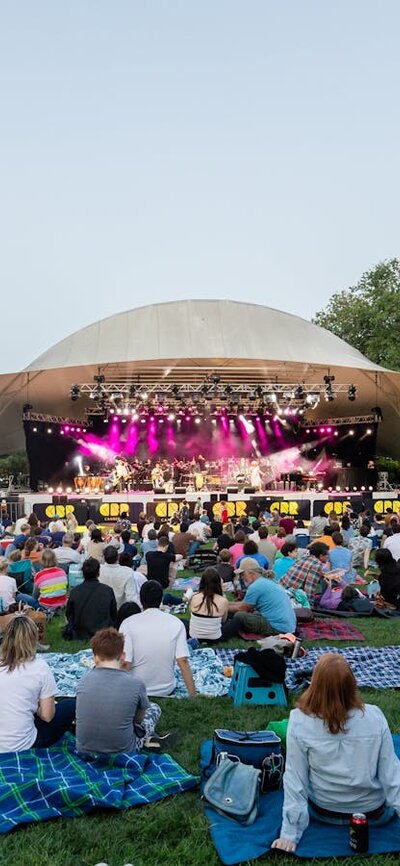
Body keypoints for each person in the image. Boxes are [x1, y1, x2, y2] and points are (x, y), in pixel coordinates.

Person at [271, 654, 400, 853]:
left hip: (323, 811)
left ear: (315, 684)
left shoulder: (298, 720)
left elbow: (295, 779)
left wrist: (289, 834)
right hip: (372, 815)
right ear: (352, 685)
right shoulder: (375, 716)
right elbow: (392, 777)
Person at [76, 627, 161, 754]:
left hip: (84, 749)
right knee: (154, 708)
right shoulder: (136, 683)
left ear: (95, 658)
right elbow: (138, 720)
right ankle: (146, 740)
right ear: (122, 657)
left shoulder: (83, 680)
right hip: (123, 750)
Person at [0, 616, 75, 752]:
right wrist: (35, 706)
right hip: (24, 743)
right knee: (71, 705)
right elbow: (47, 716)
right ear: (33, 639)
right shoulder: (40, 667)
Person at [119, 580, 197, 697]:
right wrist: (193, 694)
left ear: (141, 600)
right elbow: (183, 661)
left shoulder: (127, 623)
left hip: (134, 689)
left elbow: (125, 663)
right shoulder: (175, 623)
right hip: (165, 688)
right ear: (161, 600)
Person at [222, 557, 296, 639]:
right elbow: (244, 603)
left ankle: (221, 636)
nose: (241, 578)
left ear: (251, 573)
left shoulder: (256, 586)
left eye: (242, 574)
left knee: (240, 616)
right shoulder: (265, 581)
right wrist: (225, 603)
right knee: (248, 614)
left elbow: (242, 608)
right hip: (287, 626)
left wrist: (221, 606)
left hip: (278, 628)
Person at [66, 557, 117, 639]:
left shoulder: (75, 591)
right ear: (98, 573)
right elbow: (113, 614)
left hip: (80, 633)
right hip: (102, 633)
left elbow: (69, 614)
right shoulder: (107, 590)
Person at [189, 567, 229, 641]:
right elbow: (223, 620)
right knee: (236, 621)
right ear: (218, 583)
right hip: (215, 638)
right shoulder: (223, 601)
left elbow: (191, 614)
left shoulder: (194, 597)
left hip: (194, 636)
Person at [99, 545, 143, 609]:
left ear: (104, 557)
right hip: (120, 611)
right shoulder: (127, 572)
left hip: (103, 609)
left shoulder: (99, 570)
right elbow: (131, 597)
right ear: (117, 557)